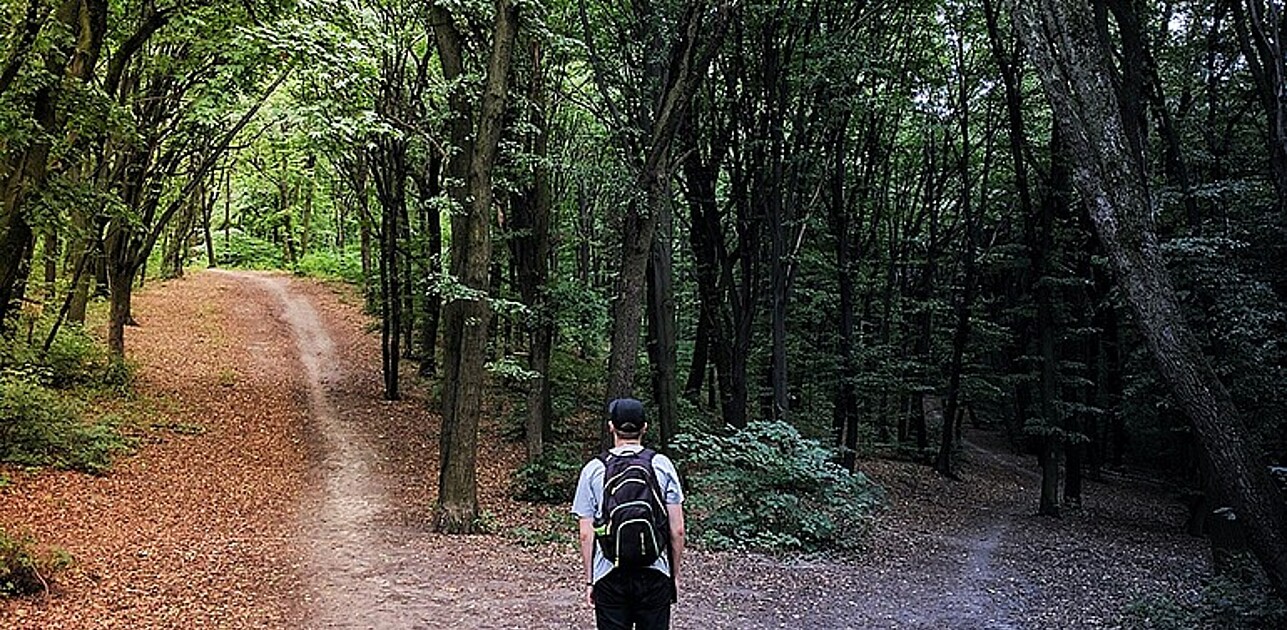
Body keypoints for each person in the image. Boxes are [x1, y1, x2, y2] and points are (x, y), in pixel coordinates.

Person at [572, 398, 686, 630]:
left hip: (609, 573)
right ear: (644, 427)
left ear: (611, 426)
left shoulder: (594, 468)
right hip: (654, 572)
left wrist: (590, 580)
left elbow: (586, 534)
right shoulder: (662, 464)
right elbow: (678, 529)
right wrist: (673, 576)